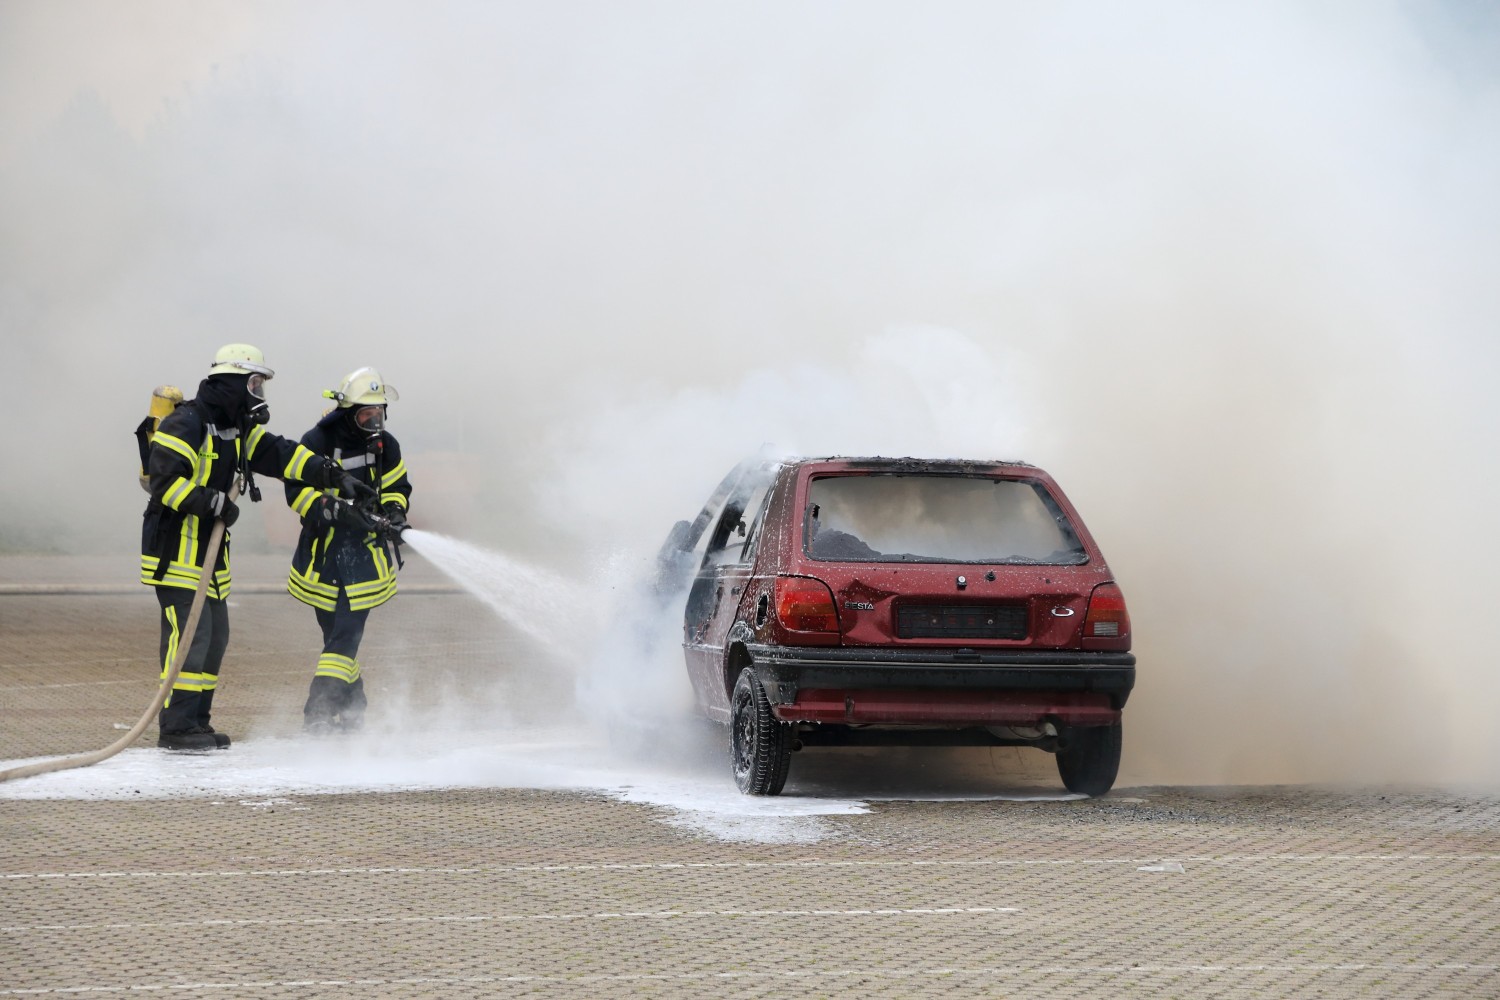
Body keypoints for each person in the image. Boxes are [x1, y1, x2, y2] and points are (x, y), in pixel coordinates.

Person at [141, 343, 367, 751]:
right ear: (232, 383)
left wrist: (333, 476)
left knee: (215, 638)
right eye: (254, 383)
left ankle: (196, 723)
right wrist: (215, 504)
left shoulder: (236, 429)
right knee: (190, 638)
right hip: (176, 553)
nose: (259, 392)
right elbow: (165, 483)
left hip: (209, 556)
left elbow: (282, 455)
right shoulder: (186, 423)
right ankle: (176, 726)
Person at [285, 367, 411, 734]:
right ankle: (354, 709)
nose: (374, 421)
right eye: (366, 414)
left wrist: (395, 512)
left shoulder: (386, 444)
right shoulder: (316, 441)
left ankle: (318, 712)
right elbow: (296, 492)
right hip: (323, 552)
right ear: (348, 412)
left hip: (364, 556)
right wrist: (336, 510)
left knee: (345, 636)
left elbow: (396, 485)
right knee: (336, 640)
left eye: (379, 413)